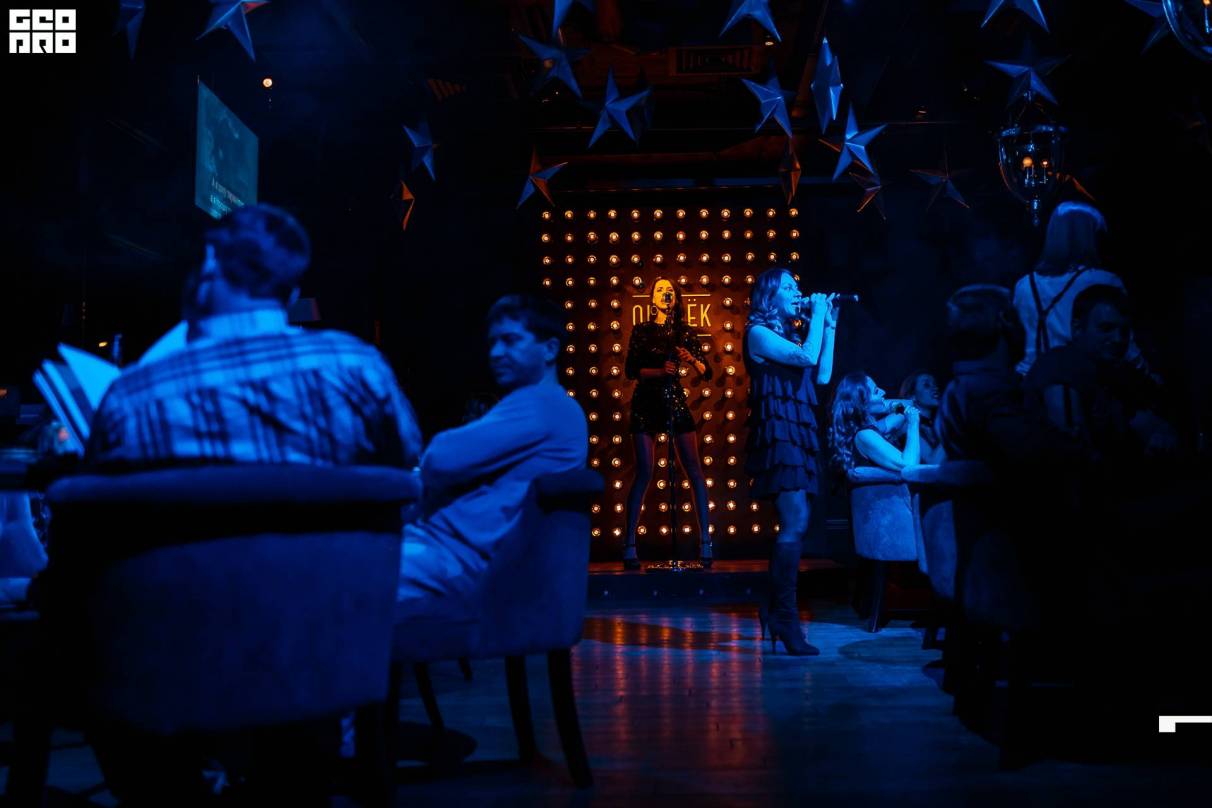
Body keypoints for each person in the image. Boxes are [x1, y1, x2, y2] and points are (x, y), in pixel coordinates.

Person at [88, 203, 422, 469]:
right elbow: (406, 463)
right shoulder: (360, 370)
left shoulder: (133, 395)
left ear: (209, 263)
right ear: (292, 295)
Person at [397, 294, 587, 613]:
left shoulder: (542, 403)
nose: (496, 353)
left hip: (458, 562)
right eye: (493, 343)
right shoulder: (551, 406)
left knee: (339, 573)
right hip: (460, 557)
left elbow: (438, 458)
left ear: (550, 349)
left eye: (510, 341)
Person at [743, 268, 838, 656]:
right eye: (788, 287)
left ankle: (775, 610)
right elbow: (805, 357)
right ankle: (784, 615)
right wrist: (818, 316)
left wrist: (829, 325)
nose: (797, 291)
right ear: (769, 296)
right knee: (795, 520)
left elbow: (822, 374)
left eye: (797, 285)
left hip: (797, 432)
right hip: (779, 432)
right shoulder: (758, 333)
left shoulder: (793, 335)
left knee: (799, 521)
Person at [1024, 284, 1175, 466]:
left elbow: (1152, 423)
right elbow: (1072, 448)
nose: (1118, 339)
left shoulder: (1119, 373)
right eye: (1106, 328)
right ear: (1077, 328)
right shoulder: (1061, 365)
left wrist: (1161, 436)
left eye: (1124, 331)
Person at [620, 278, 714, 570]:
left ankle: (706, 542)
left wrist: (692, 360)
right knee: (645, 471)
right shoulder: (642, 330)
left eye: (669, 291)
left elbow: (707, 372)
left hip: (673, 400)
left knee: (694, 470)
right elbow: (631, 370)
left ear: (676, 298)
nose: (665, 294)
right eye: (660, 290)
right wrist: (660, 371)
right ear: (652, 299)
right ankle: (629, 545)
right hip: (646, 402)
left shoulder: (683, 332)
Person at [1012, 201, 1143, 376]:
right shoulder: (1104, 280)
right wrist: (1144, 371)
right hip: (1082, 379)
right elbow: (1123, 342)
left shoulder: (1024, 285)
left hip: (1029, 379)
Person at [828, 372, 922, 474]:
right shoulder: (864, 435)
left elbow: (909, 405)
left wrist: (890, 406)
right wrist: (913, 424)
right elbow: (910, 465)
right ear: (862, 403)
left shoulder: (872, 429)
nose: (883, 392)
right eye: (876, 391)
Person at [898, 371, 945, 464]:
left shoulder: (936, 423)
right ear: (912, 396)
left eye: (935, 384)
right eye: (927, 385)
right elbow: (933, 463)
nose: (935, 388)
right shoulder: (907, 425)